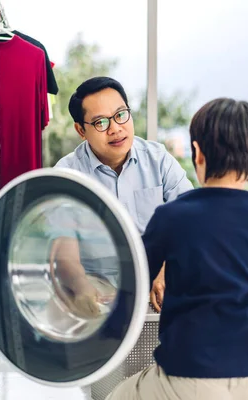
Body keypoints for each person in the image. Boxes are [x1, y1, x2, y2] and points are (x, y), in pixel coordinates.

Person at [106, 98, 248, 400]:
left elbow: (132, 283)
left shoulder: (171, 216)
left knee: (116, 395)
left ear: (197, 153)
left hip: (189, 380)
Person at [53, 76, 193, 310]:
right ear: (81, 130)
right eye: (100, 123)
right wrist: (81, 286)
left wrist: (165, 269)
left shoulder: (159, 160)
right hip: (98, 294)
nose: (116, 129)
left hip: (160, 287)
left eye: (120, 115)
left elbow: (190, 224)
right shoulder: (67, 174)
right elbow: (64, 252)